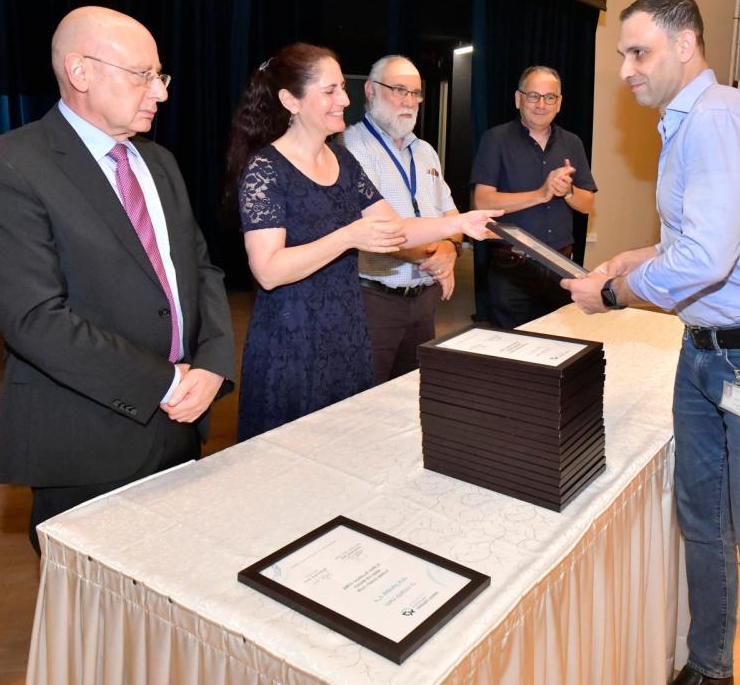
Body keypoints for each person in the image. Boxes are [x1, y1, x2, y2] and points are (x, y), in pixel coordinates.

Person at [562, 0, 740, 685]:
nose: (625, 69)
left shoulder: (716, 118)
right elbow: (693, 241)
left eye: (639, 52)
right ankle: (712, 669)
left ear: (685, 46)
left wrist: (614, 293)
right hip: (708, 356)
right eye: (623, 54)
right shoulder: (688, 124)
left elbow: (706, 261)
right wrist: (630, 260)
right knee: (705, 528)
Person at [0, 6, 236, 554]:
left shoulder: (160, 162)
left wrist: (213, 364)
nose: (160, 92)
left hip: (183, 420)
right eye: (143, 75)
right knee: (96, 602)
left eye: (161, 75)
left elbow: (200, 269)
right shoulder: (5, 167)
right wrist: (166, 382)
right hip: (87, 438)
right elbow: (35, 319)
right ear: (80, 71)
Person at [226, 43, 498, 439]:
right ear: (290, 101)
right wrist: (347, 236)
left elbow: (394, 229)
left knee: (349, 440)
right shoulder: (265, 169)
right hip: (294, 336)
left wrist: (457, 224)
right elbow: (268, 270)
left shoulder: (343, 161)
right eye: (330, 91)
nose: (344, 99)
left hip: (346, 328)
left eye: (342, 88)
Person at [341, 55, 461, 383]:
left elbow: (451, 214)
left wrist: (450, 250)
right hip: (374, 302)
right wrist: (437, 255)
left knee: (411, 395)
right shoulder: (350, 148)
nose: (409, 101)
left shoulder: (425, 151)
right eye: (399, 90)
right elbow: (377, 232)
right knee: (366, 398)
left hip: (424, 301)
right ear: (370, 90)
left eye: (416, 93)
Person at [470, 65, 596, 328]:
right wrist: (541, 194)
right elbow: (482, 201)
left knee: (558, 343)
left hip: (561, 266)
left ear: (559, 103)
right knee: (512, 346)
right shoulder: (495, 139)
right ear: (518, 99)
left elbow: (587, 204)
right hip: (511, 268)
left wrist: (567, 191)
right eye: (533, 96)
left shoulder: (572, 142)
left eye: (549, 97)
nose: (541, 104)